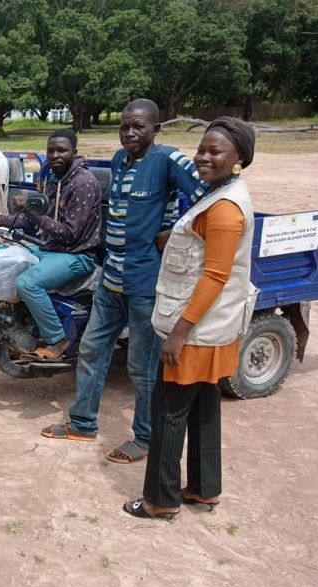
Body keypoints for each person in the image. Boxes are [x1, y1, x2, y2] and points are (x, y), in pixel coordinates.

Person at [41, 99, 206, 465]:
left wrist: (177, 232)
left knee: (142, 367)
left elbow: (208, 200)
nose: (130, 133)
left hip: (145, 282)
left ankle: (146, 437)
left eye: (139, 127)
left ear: (155, 129)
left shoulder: (168, 160)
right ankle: (82, 424)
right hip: (111, 278)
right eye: (125, 126)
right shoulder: (119, 160)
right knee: (91, 349)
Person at [124, 117, 256, 519]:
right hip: (214, 329)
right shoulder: (221, 194)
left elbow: (215, 276)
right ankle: (203, 488)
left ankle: (160, 500)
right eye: (201, 149)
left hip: (197, 332)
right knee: (203, 406)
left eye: (216, 152)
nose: (204, 157)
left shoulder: (225, 208)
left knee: (168, 411)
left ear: (238, 158)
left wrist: (179, 333)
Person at [0, 129, 102, 359]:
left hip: (76, 255)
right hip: (49, 248)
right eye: (51, 150)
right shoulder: (54, 178)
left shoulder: (83, 182)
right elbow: (30, 220)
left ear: (74, 152)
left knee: (27, 283)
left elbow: (69, 233)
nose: (55, 155)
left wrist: (31, 212)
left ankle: (58, 339)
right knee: (1, 261)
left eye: (62, 150)